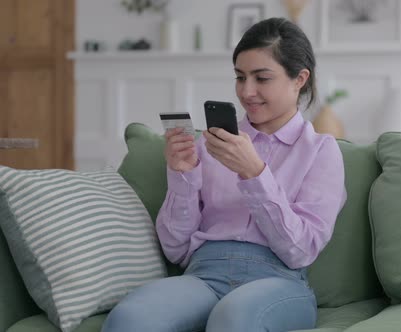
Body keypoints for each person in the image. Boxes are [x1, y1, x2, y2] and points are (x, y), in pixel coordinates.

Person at [101, 17, 346, 332]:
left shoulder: (321, 151)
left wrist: (254, 173)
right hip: (203, 275)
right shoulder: (210, 143)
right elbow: (175, 248)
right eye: (240, 77)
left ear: (299, 79)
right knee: (129, 319)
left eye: (262, 78)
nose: (247, 91)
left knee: (233, 318)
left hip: (278, 281)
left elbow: (299, 251)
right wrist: (182, 176)